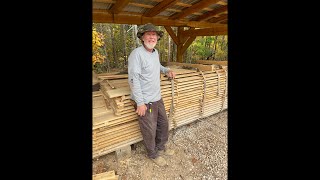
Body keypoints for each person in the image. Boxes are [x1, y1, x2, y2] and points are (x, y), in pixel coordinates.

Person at [128, 23, 176, 166]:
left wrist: (166, 70)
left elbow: (157, 66)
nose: (151, 37)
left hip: (157, 97)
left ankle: (161, 147)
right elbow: (133, 79)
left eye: (154, 34)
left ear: (157, 38)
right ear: (142, 37)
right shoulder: (136, 54)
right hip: (145, 101)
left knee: (163, 124)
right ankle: (153, 154)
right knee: (149, 129)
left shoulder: (155, 53)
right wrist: (140, 102)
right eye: (148, 34)